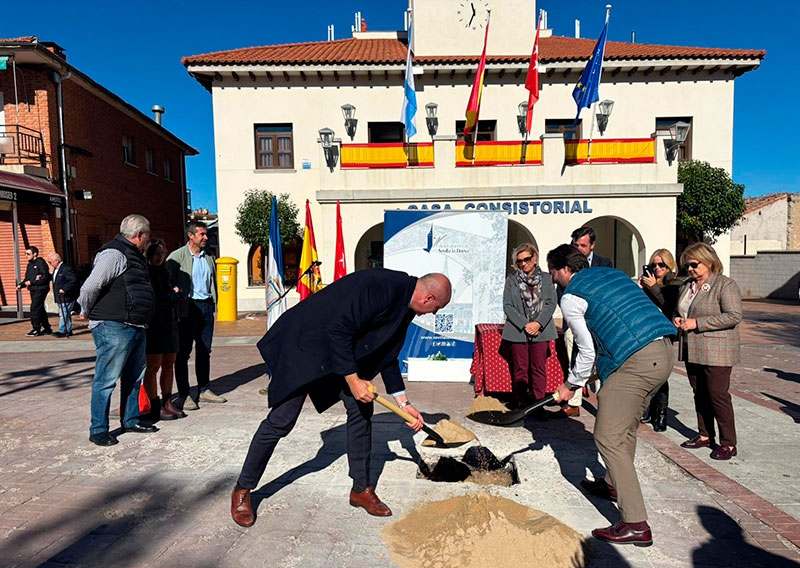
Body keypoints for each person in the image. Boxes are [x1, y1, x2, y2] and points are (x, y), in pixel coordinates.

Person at [231, 269, 452, 528]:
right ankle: (243, 488)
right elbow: (338, 329)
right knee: (282, 420)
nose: (433, 314)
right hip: (304, 344)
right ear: (428, 298)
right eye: (437, 308)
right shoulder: (380, 286)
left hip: (336, 351)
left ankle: (360, 489)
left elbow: (387, 352)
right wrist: (353, 380)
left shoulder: (406, 307)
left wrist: (403, 402)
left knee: (362, 410)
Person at [547, 244, 676, 547]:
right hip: (664, 351)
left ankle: (635, 524)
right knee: (624, 426)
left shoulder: (571, 296)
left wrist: (571, 385)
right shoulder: (612, 274)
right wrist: (592, 373)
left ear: (564, 269)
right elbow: (614, 326)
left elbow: (586, 347)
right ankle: (612, 484)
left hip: (637, 359)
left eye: (553, 272)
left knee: (607, 436)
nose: (554, 279)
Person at [78, 214, 158, 447]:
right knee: (107, 380)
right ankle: (99, 429)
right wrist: (85, 310)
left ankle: (131, 419)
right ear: (139, 235)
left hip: (135, 325)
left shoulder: (134, 255)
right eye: (147, 235)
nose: (148, 240)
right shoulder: (114, 253)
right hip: (114, 325)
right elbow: (91, 285)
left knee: (134, 377)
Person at [673, 242, 742, 461]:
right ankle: (704, 434)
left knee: (718, 395)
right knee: (699, 393)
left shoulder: (724, 285)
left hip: (717, 349)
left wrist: (697, 323)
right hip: (692, 349)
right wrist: (677, 317)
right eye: (687, 265)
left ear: (709, 261)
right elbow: (682, 308)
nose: (690, 269)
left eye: (694, 264)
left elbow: (733, 315)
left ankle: (729, 443)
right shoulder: (687, 285)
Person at [166, 220, 226, 410]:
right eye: (202, 234)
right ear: (191, 236)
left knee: (204, 350)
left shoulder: (209, 256)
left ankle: (204, 389)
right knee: (183, 354)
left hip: (206, 308)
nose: (206, 238)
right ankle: (184, 395)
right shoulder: (176, 258)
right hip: (186, 309)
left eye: (205, 234)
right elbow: (167, 282)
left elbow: (213, 282)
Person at [501, 243, 557, 414]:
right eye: (519, 262)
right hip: (518, 331)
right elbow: (508, 306)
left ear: (535, 257)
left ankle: (538, 403)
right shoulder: (511, 280)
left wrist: (538, 323)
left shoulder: (547, 279)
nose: (523, 264)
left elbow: (551, 303)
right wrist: (525, 324)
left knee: (539, 368)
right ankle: (522, 404)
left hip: (541, 330)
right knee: (520, 369)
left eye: (526, 259)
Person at [638, 249, 687, 431]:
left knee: (661, 374)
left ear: (669, 265)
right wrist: (641, 289)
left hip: (665, 331)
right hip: (648, 331)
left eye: (661, 265)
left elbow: (668, 305)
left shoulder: (675, 282)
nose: (657, 268)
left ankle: (660, 416)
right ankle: (650, 410)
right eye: (654, 265)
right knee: (648, 372)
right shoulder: (650, 281)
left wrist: (652, 287)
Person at [143, 239, 186, 422]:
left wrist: (174, 295)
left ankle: (168, 400)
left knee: (169, 364)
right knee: (153, 366)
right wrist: (172, 295)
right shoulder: (146, 274)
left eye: (162, 253)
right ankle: (154, 405)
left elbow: (181, 294)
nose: (159, 257)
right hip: (154, 325)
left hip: (170, 324)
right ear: (149, 255)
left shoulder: (166, 272)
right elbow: (155, 299)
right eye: (156, 253)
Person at [16, 246, 52, 337]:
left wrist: (33, 282)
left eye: (28, 254)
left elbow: (45, 277)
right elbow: (27, 279)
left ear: (35, 254)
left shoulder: (41, 263)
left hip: (40, 289)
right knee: (40, 309)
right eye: (25, 254)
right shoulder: (30, 265)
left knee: (34, 309)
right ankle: (47, 328)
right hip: (33, 289)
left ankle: (36, 329)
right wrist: (21, 285)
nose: (26, 256)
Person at [46, 253, 79, 338]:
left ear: (57, 261)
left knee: (64, 313)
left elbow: (72, 280)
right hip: (59, 296)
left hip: (66, 296)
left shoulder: (66, 269)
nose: (50, 264)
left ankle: (62, 330)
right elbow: (55, 279)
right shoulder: (56, 269)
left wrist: (64, 288)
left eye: (51, 262)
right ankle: (68, 329)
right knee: (65, 313)